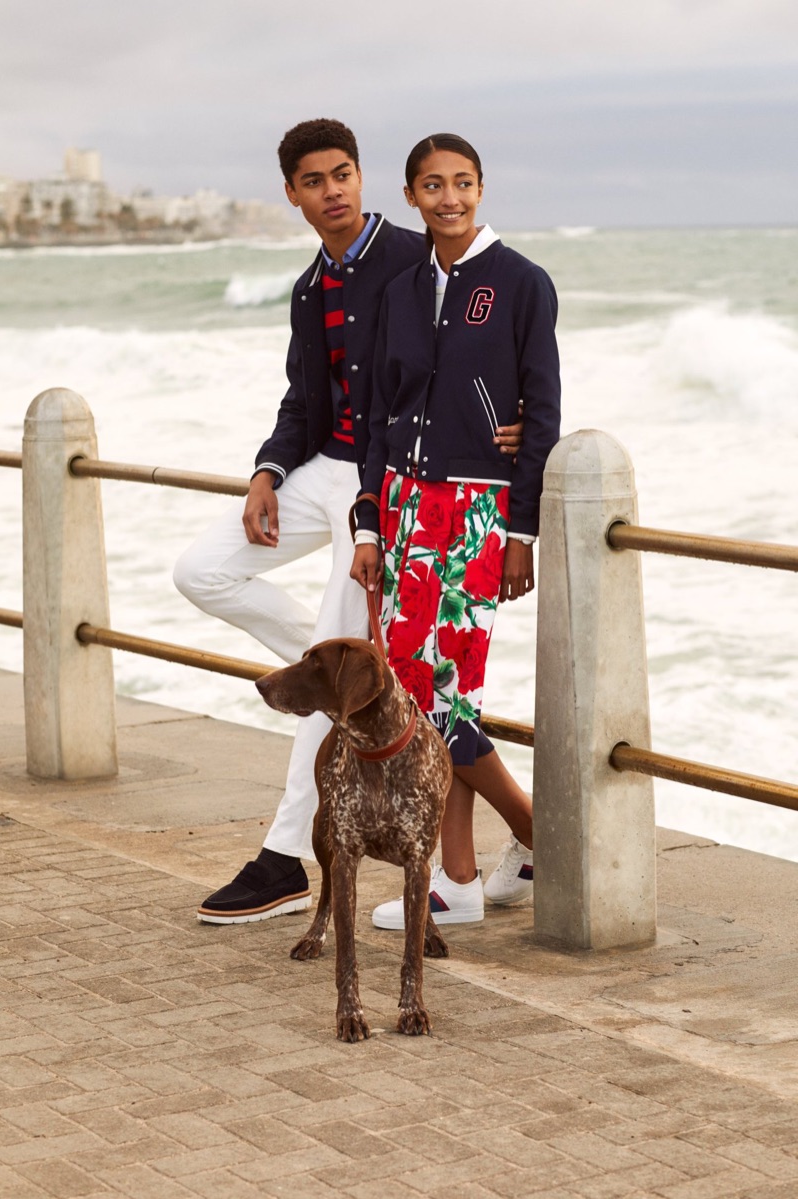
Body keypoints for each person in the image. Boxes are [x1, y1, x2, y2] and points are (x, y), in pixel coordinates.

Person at [173, 119, 523, 925]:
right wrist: (267, 472)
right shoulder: (310, 288)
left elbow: (479, 345)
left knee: (346, 672)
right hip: (323, 468)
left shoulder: (412, 257)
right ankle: (346, 665)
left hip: (386, 479)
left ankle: (284, 857)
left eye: (342, 174)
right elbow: (303, 398)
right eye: (314, 181)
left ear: (362, 178)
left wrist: (508, 423)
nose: (332, 191)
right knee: (202, 571)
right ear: (292, 194)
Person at [350, 132, 561, 929]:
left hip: (477, 511)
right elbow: (379, 414)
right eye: (433, 185)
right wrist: (369, 524)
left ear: (481, 188)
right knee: (413, 693)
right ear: (410, 196)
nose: (450, 198)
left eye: (463, 182)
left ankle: (505, 852)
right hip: (404, 506)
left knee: (449, 694)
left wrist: (521, 531)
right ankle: (476, 868)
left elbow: (543, 412)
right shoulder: (401, 290)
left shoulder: (521, 283)